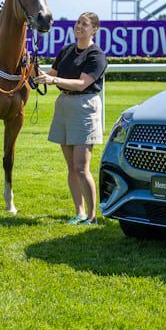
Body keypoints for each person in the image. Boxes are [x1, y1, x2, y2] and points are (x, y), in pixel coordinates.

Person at [34, 12, 107, 225]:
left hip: (85, 107)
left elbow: (82, 84)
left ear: (94, 29)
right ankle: (79, 212)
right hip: (64, 105)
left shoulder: (96, 55)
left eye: (84, 24)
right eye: (77, 23)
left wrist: (52, 79)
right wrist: (32, 66)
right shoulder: (66, 50)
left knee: (81, 167)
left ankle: (92, 217)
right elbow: (50, 73)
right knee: (71, 167)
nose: (79, 27)